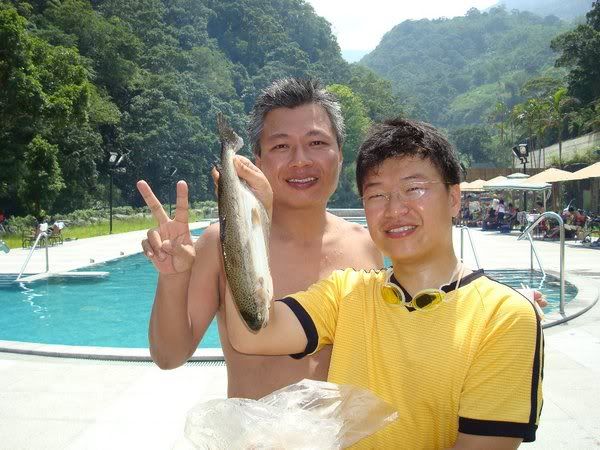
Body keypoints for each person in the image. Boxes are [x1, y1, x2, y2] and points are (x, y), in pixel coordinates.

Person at [225, 118, 543, 448]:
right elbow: (253, 333)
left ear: (453, 198)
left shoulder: (504, 316)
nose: (395, 209)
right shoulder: (346, 293)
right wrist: (250, 215)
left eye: (414, 189)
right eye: (377, 194)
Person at [136, 78, 383, 399]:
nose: (300, 160)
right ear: (257, 161)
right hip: (253, 429)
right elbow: (169, 356)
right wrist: (173, 277)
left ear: (340, 154)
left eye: (317, 142)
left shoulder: (365, 246)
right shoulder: (221, 243)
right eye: (281, 146)